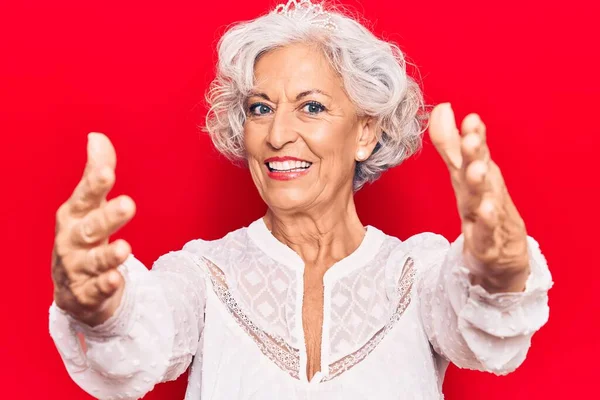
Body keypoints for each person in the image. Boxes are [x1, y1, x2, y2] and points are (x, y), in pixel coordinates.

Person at [49, 1, 553, 399]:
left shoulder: (416, 274)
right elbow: (144, 334)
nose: (277, 134)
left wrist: (500, 277)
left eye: (311, 106)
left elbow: (484, 332)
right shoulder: (204, 275)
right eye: (260, 108)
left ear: (365, 132)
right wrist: (102, 307)